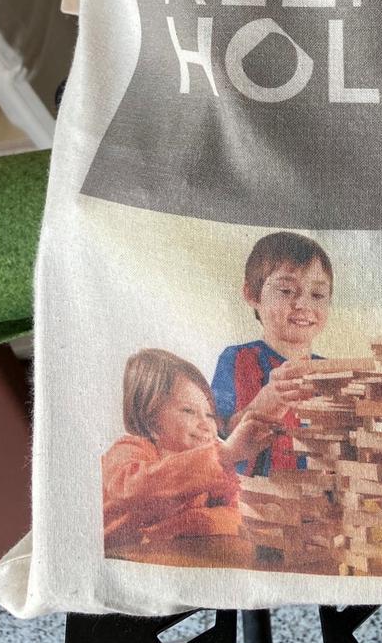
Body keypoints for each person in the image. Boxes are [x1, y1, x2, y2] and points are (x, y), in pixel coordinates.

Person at [102, 348, 274, 562]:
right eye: (189, 411)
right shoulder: (130, 449)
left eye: (210, 415)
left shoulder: (214, 466)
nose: (205, 425)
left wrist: (187, 522)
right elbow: (131, 489)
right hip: (122, 559)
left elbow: (237, 515)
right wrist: (222, 455)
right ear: (151, 419)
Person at [212, 232, 332, 476]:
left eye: (318, 295)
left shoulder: (331, 373)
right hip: (255, 493)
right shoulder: (238, 359)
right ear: (252, 295)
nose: (303, 304)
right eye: (286, 290)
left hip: (318, 494)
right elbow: (219, 434)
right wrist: (266, 403)